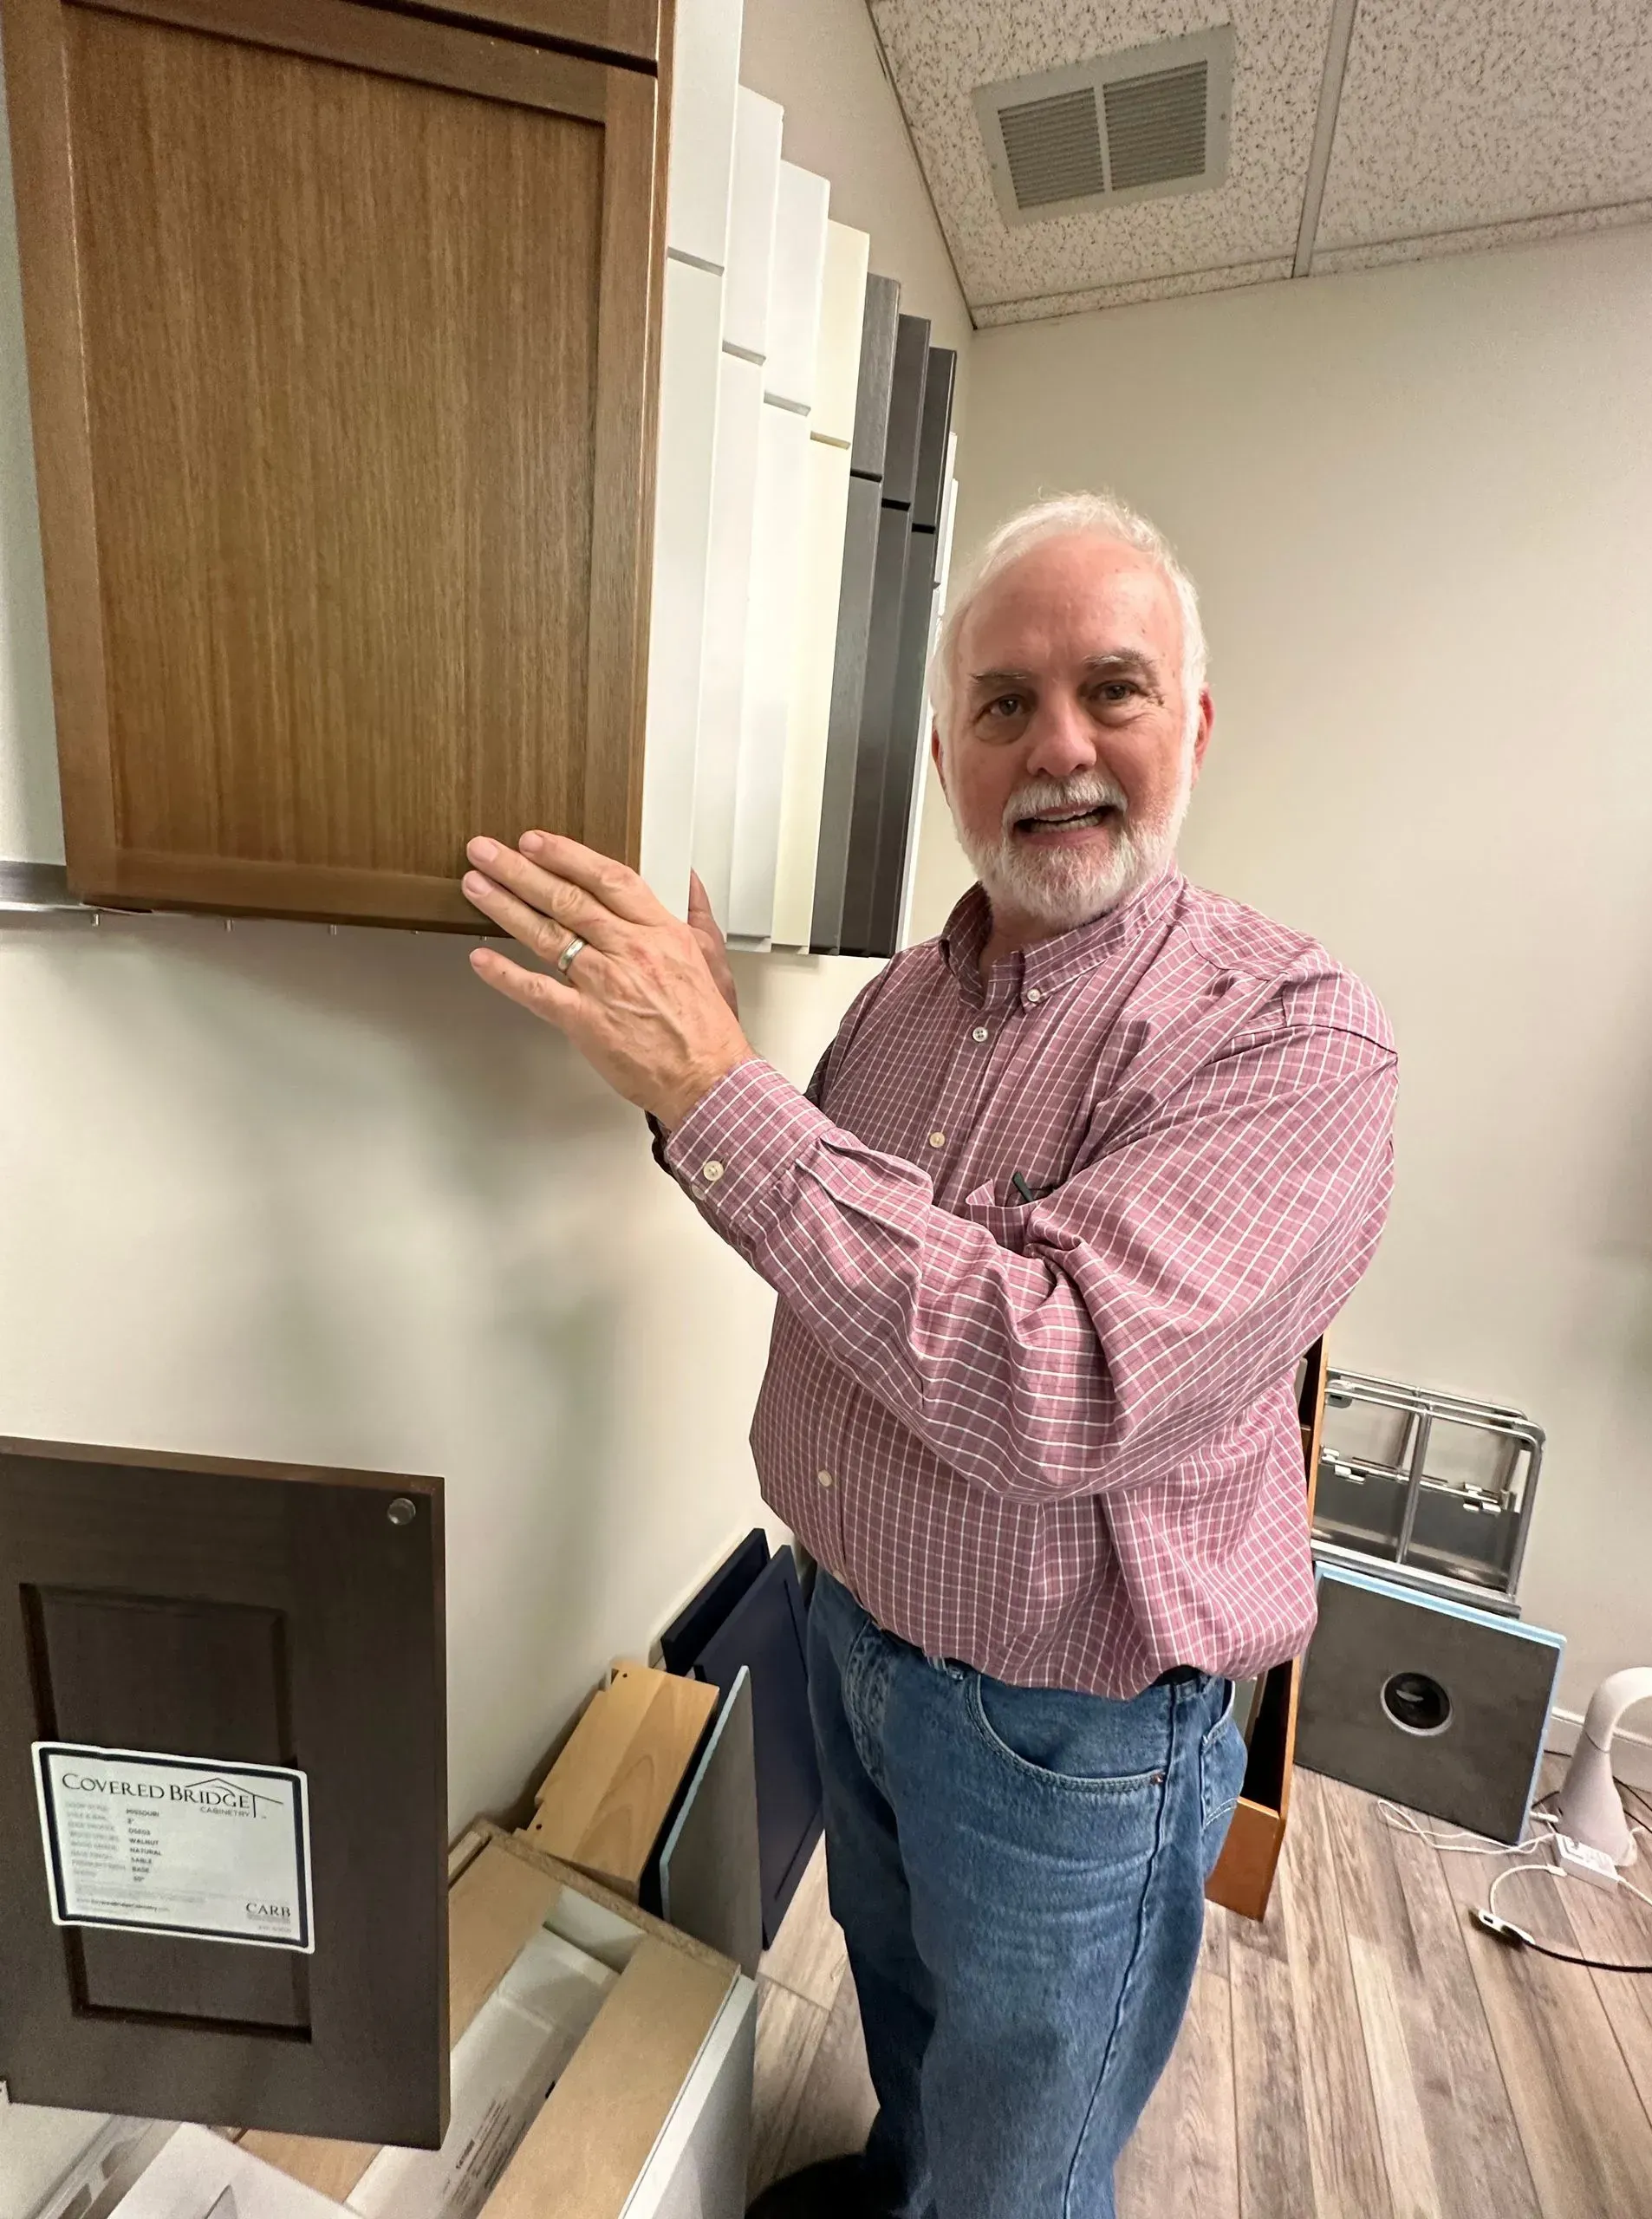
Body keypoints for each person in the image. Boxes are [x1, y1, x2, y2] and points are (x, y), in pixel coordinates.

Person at [459, 492, 1397, 2219]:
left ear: (1191, 724)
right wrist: (681, 1088)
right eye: (1001, 702)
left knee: (1023, 2153)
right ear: (949, 753)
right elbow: (822, 1247)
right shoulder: (900, 1002)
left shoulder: (1295, 1039)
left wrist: (716, 1087)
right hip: (851, 1636)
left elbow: (1065, 1382)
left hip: (1067, 1736)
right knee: (909, 2024)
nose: (1056, 746)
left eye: (1111, 688)